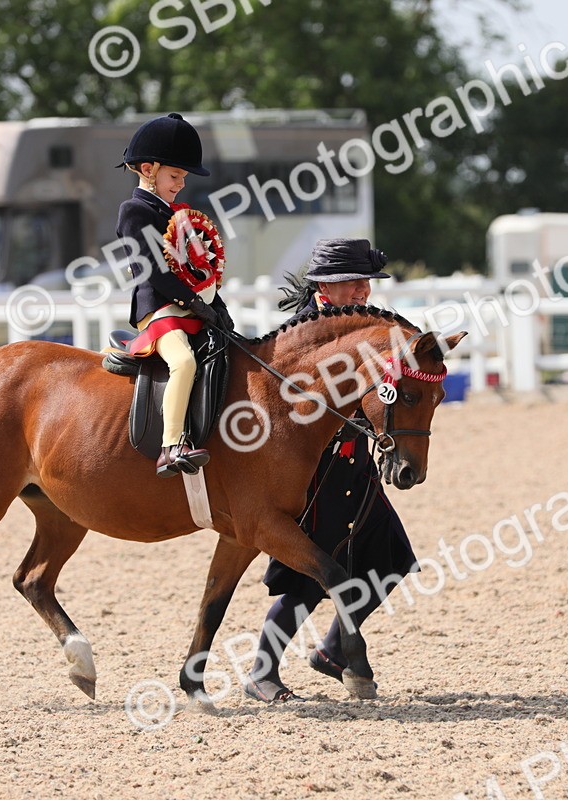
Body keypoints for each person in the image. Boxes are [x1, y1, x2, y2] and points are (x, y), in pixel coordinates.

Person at [242, 238, 419, 703]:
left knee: (392, 559)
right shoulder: (297, 335)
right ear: (325, 285)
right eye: (354, 283)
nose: (364, 290)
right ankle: (262, 672)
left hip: (358, 466)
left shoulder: (370, 330)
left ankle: (333, 650)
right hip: (315, 473)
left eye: (366, 282)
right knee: (307, 578)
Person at [115, 112, 232, 477]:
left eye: (182, 177)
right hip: (161, 310)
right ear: (148, 169)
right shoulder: (134, 212)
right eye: (175, 176)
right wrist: (194, 303)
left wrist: (217, 306)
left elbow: (199, 273)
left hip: (191, 306)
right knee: (183, 362)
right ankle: (171, 445)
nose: (181, 184)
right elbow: (155, 271)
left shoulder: (179, 214)